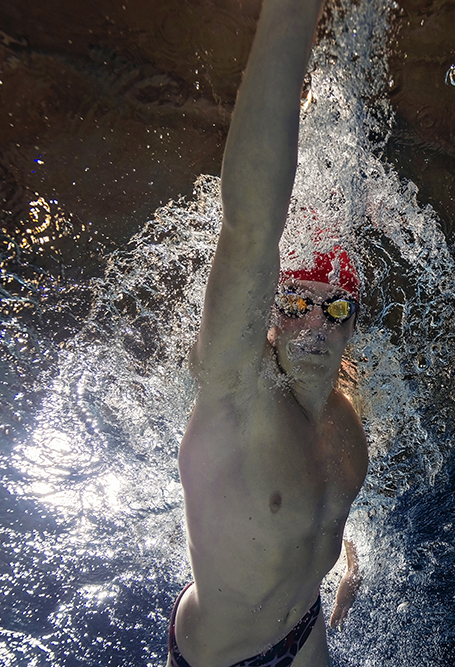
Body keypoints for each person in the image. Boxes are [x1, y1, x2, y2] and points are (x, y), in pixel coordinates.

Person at [168, 1, 368, 666]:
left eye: (335, 309)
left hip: (304, 630)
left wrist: (347, 564)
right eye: (294, 302)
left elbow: (324, 510)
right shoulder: (237, 390)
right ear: (268, 311)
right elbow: (250, 225)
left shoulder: (348, 421)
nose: (314, 322)